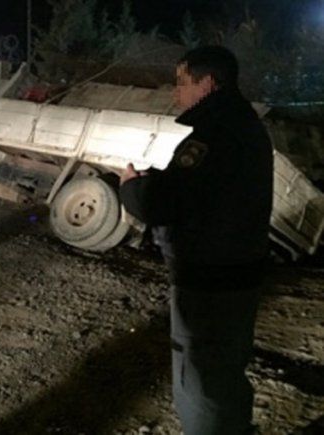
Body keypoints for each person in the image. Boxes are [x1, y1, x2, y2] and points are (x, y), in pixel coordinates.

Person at [119, 45, 273, 434]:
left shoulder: (215, 133)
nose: (176, 93)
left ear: (206, 83)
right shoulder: (242, 125)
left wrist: (132, 188)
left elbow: (167, 201)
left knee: (202, 379)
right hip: (238, 274)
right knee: (225, 373)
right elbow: (203, 192)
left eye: (182, 83)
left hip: (209, 281)